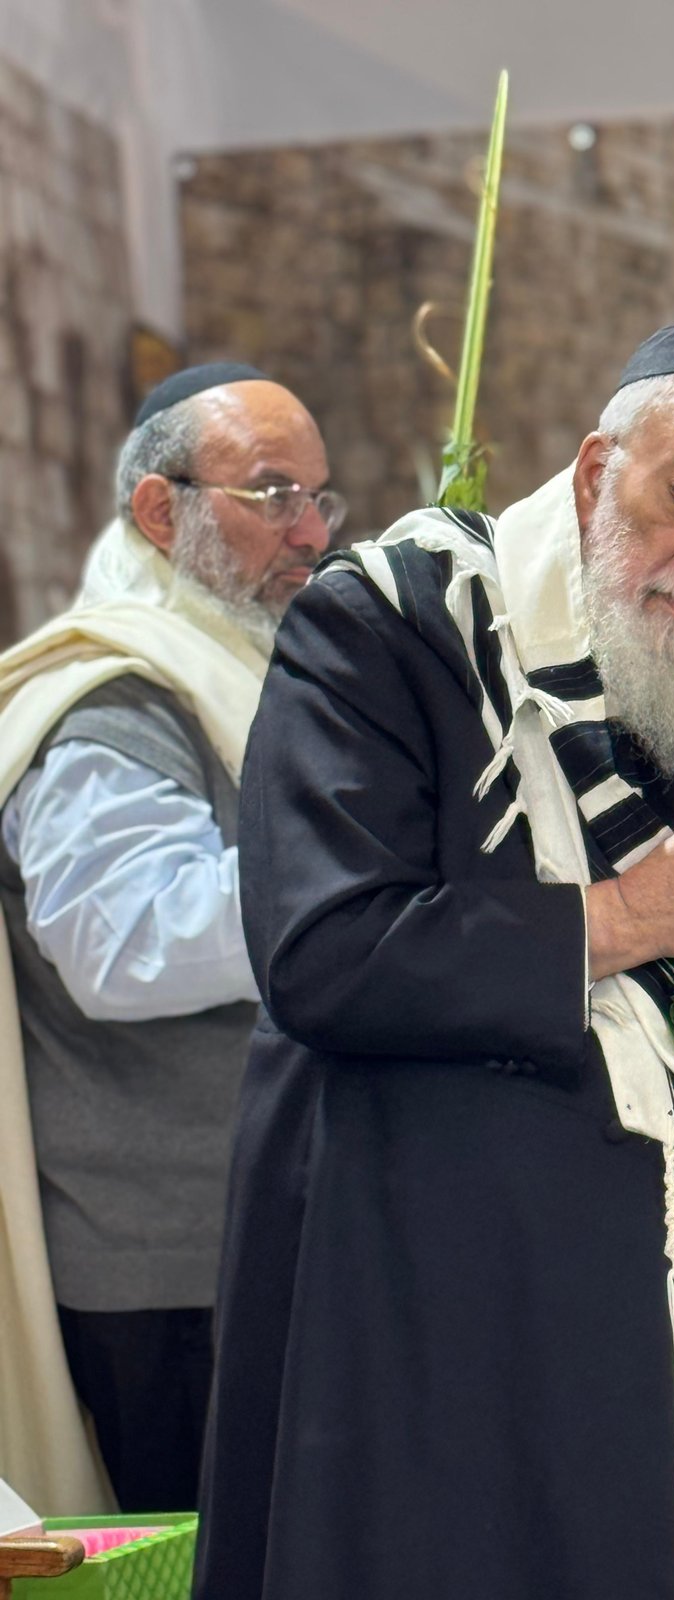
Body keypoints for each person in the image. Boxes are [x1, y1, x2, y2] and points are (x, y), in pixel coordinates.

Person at [194, 317, 674, 1600]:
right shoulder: (397, 626)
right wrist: (636, 914)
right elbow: (321, 952)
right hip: (462, 1363)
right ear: (599, 472)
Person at [0, 363, 344, 1514]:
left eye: (321, 499)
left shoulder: (244, 664)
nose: (311, 533)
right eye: (275, 494)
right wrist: (369, 887)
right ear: (163, 510)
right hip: (167, 1266)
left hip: (263, 1233)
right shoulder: (115, 695)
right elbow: (124, 939)